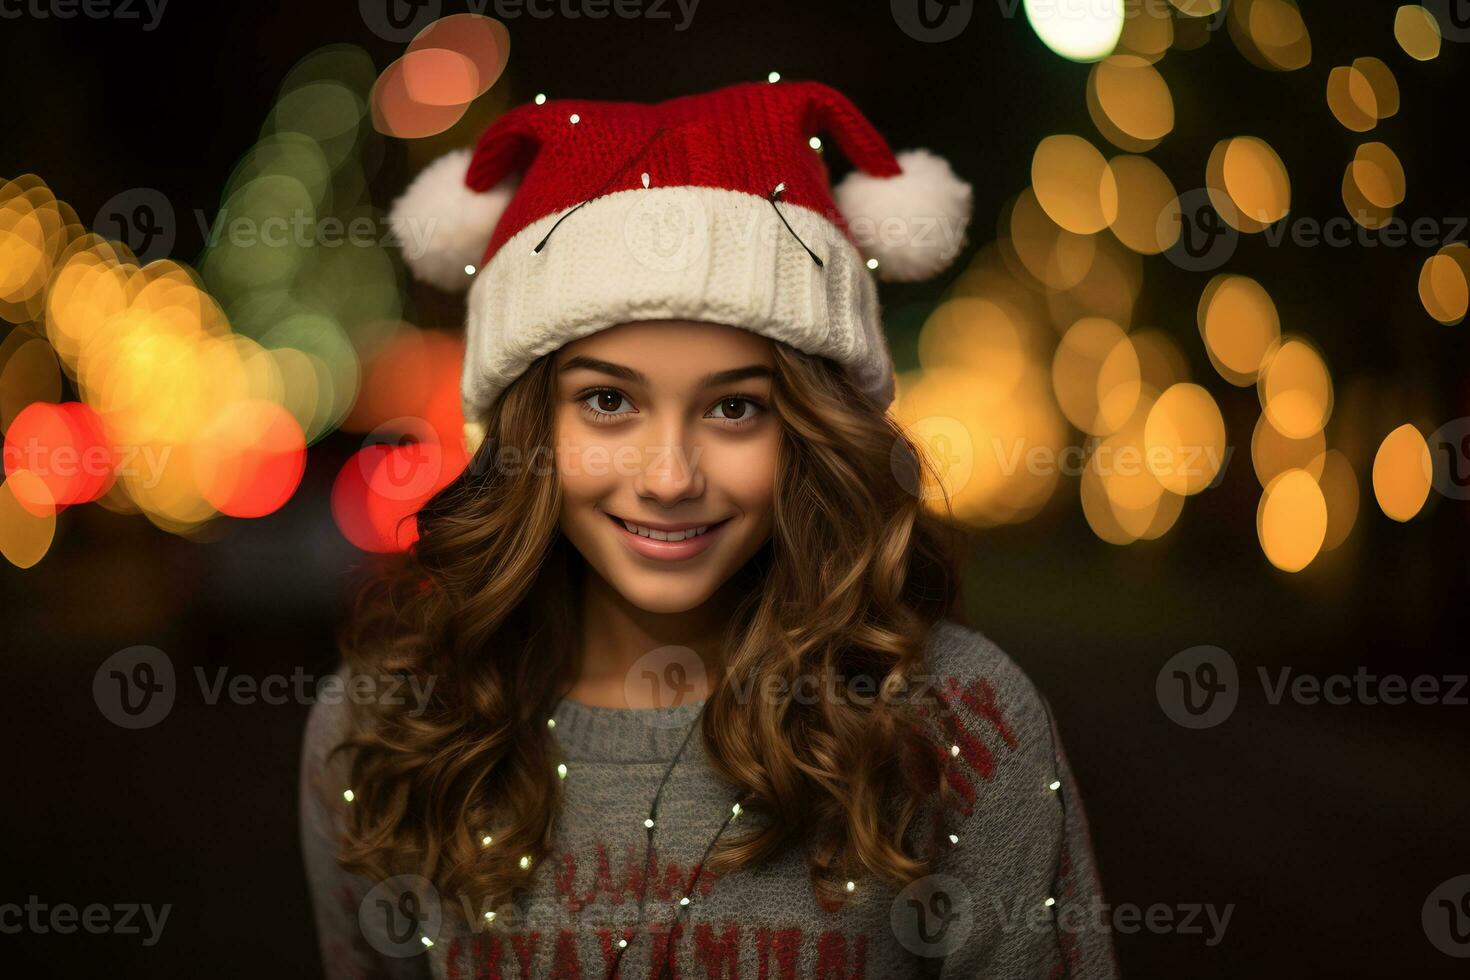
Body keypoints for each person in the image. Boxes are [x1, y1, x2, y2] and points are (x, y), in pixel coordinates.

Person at [301, 79, 1118, 979]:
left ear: (809, 429)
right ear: (532, 424)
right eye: (608, 401)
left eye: (735, 408)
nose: (670, 478)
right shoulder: (387, 724)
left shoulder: (958, 719)